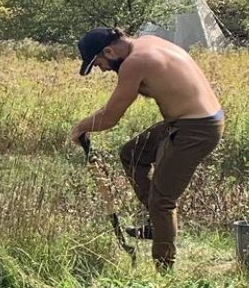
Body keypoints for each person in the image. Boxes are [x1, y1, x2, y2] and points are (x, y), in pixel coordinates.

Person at [70, 27, 225, 271]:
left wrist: (80, 127)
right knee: (132, 154)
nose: (103, 69)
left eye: (99, 63)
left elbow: (111, 116)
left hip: (196, 129)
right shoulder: (148, 42)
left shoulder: (135, 62)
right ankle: (156, 223)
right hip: (191, 121)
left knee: (162, 201)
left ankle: (163, 271)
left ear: (110, 51)